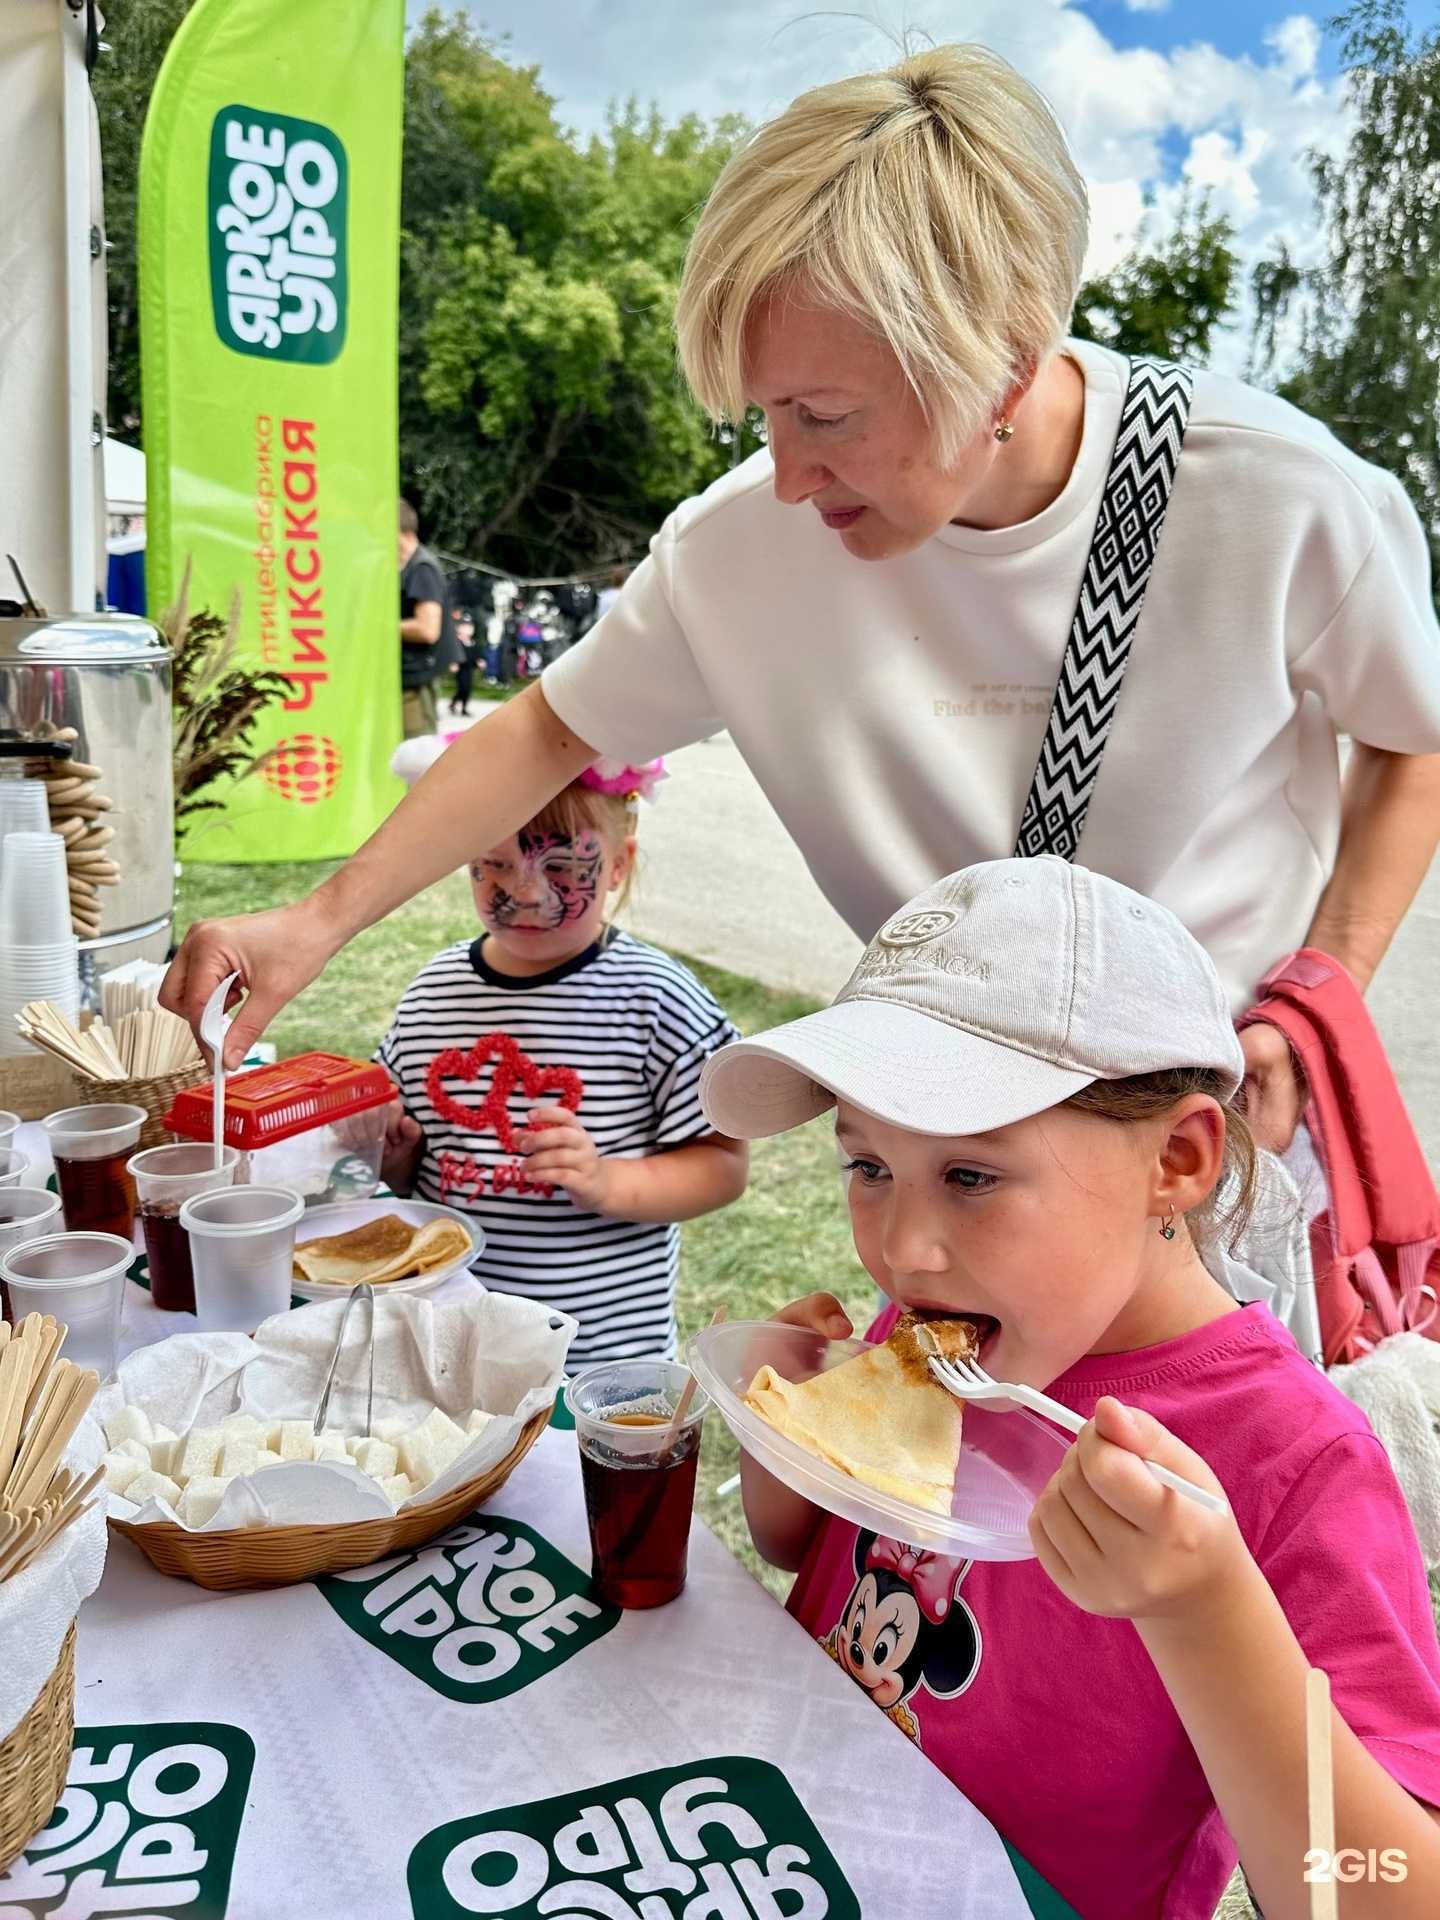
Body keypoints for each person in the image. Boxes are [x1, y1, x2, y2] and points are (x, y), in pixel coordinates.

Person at [165, 42, 1440, 1183]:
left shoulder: (1276, 496)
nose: (786, 475)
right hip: (936, 1141)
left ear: (1000, 352)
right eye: (764, 414)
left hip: (1210, 1141)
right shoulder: (739, 548)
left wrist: (1322, 985)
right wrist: (313, 921)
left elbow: (1412, 740)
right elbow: (549, 730)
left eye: (826, 416)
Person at [697, 856, 1440, 1920]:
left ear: (1178, 1160)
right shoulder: (940, 1329)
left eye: (970, 1176)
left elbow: (1385, 1899)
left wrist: (1204, 1608)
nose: (903, 1250)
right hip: (793, 1845)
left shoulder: (1293, 1458)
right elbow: (807, 1558)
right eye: (867, 1167)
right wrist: (796, 1427)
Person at [375, 757, 748, 1364]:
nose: (524, 890)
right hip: (451, 1344)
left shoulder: (656, 999)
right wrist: (394, 1154)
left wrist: (605, 1182)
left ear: (619, 864)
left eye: (562, 866)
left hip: (599, 1363)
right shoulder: (432, 993)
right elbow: (413, 1164)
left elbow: (723, 1165)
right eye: (495, 864)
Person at [397, 498, 455, 739]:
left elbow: (428, 628)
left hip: (417, 683)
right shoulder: (410, 566)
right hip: (410, 677)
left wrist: (379, 627)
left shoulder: (421, 568)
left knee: (416, 756)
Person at [449, 609, 478, 717]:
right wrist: (453, 663)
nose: (467, 629)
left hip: (469, 669)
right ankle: (454, 703)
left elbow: (475, 656)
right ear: (458, 628)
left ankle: (464, 708)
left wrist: (479, 661)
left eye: (470, 627)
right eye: (464, 627)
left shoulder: (472, 643)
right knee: (462, 687)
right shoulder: (457, 643)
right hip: (460, 669)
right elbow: (453, 654)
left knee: (468, 689)